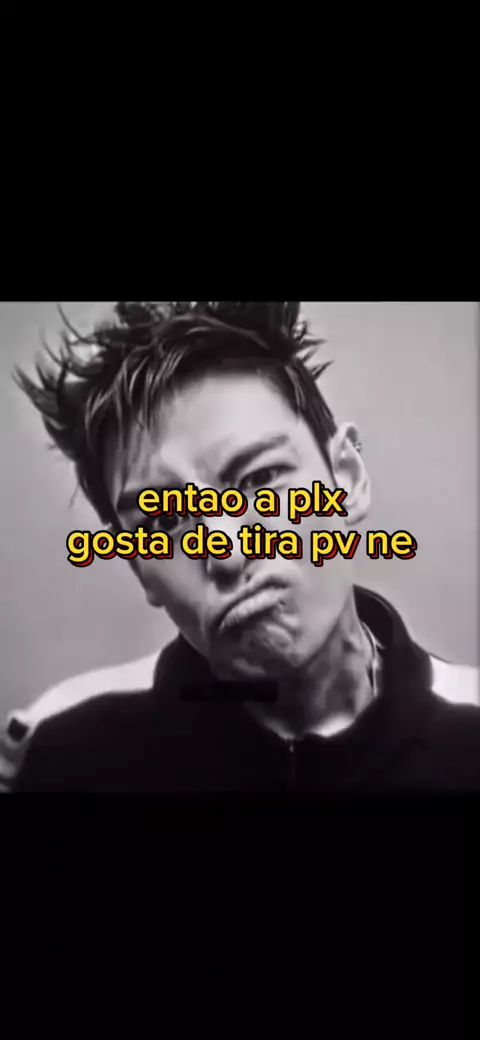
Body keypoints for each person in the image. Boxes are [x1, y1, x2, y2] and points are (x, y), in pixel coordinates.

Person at [11, 301, 480, 792]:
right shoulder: (74, 758)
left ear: (346, 478)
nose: (228, 553)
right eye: (166, 519)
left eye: (259, 479)